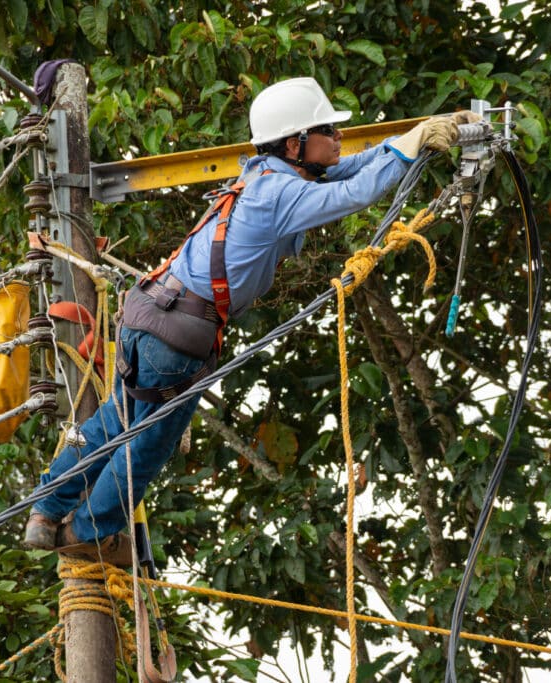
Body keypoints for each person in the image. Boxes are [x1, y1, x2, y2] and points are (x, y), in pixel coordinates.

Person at [23, 77, 475, 560]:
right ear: (295, 143)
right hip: (177, 337)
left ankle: (46, 511)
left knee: (119, 420)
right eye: (329, 130)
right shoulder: (279, 195)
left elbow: (352, 170)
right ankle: (91, 532)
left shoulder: (265, 176)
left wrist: (411, 141)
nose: (341, 138)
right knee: (149, 442)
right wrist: (411, 149)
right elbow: (357, 192)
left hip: (148, 313)